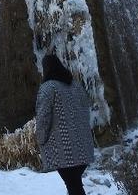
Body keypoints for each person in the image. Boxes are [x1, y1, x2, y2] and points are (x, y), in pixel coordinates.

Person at [35, 54, 95, 195]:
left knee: (74, 186)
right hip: (84, 148)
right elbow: (86, 112)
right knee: (74, 184)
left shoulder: (48, 88)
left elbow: (43, 118)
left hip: (64, 151)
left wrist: (41, 140)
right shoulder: (77, 86)